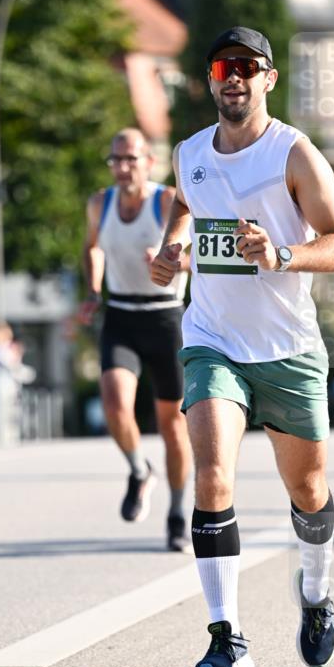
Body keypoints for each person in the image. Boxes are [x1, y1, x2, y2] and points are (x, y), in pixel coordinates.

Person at [151, 27, 334, 667]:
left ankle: (316, 594)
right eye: (222, 66)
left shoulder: (292, 154)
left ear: (267, 78)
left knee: (308, 488)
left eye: (246, 66)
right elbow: (183, 205)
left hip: (287, 347)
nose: (232, 76)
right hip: (212, 340)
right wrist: (170, 249)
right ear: (210, 79)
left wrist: (281, 254)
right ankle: (226, 636)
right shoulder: (188, 153)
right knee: (211, 475)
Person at [80, 127, 192, 551]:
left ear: (149, 162)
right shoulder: (100, 203)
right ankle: (139, 469)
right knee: (114, 404)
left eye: (132, 159)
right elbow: (93, 247)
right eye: (116, 160)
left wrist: (169, 261)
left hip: (166, 319)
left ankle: (179, 512)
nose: (123, 167)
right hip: (122, 315)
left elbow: (200, 259)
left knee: (173, 427)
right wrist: (93, 291)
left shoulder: (167, 202)